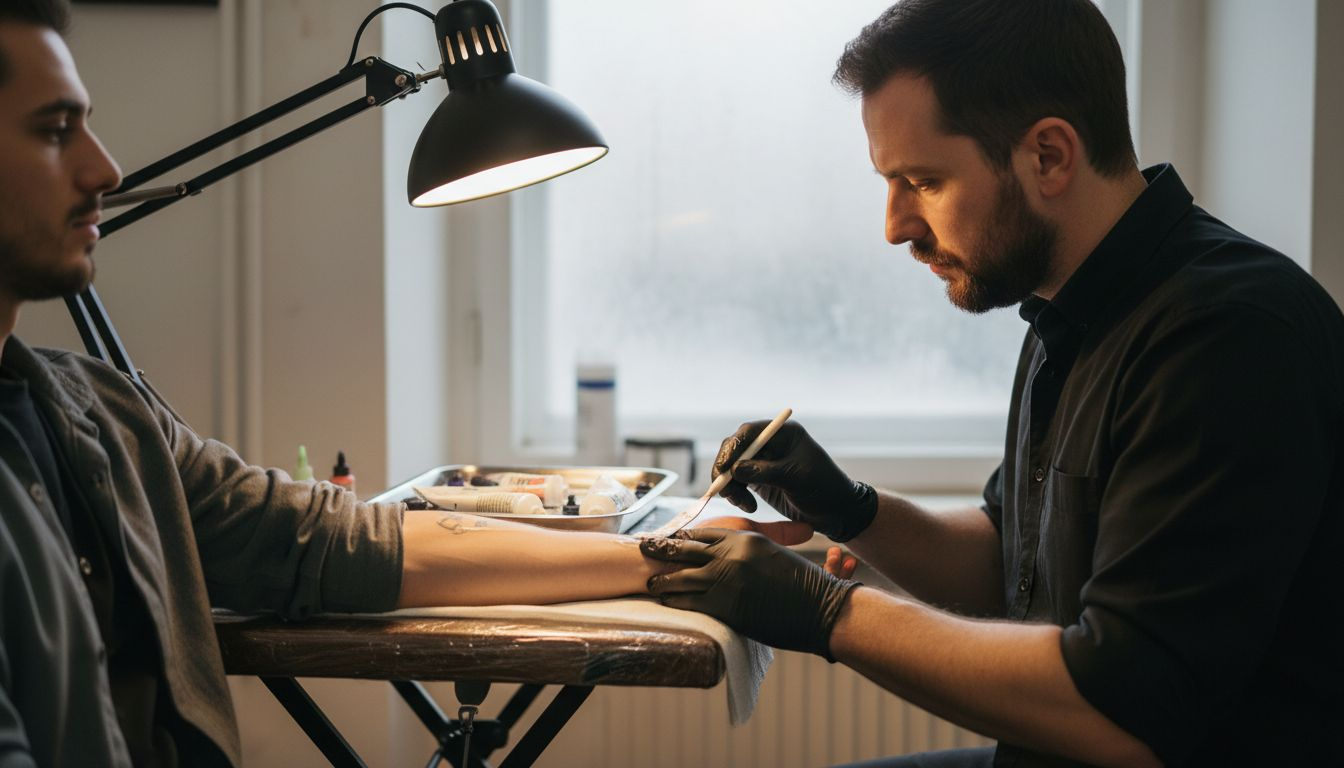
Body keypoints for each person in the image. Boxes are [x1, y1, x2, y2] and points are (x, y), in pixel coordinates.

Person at [0, 2, 813, 765]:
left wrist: (655, 557)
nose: (104, 169)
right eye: (54, 131)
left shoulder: (103, 420)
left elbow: (351, 543)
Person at [641, 1, 1344, 766]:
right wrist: (849, 509)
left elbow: (1129, 713)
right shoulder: (1066, 308)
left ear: (1048, 156)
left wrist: (825, 612)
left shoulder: (1226, 335)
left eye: (924, 180)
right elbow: (1012, 564)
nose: (895, 226)